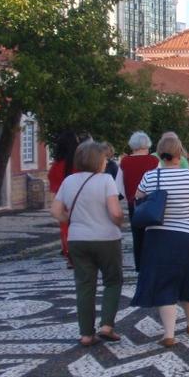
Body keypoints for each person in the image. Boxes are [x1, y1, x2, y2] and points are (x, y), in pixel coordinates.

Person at [131, 132, 189, 347]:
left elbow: (137, 201)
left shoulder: (150, 177)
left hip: (158, 237)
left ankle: (168, 334)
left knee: (163, 281)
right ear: (180, 153)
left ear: (159, 153)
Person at [50, 140, 124, 346]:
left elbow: (55, 211)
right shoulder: (106, 180)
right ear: (98, 161)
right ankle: (107, 325)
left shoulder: (69, 181)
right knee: (112, 281)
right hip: (106, 238)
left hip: (77, 239)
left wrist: (73, 221)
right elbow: (115, 212)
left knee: (84, 285)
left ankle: (86, 334)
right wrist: (119, 222)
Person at [115, 131, 160, 270]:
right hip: (152, 202)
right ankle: (153, 263)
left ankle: (139, 264)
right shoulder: (154, 161)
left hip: (133, 203)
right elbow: (160, 182)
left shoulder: (125, 162)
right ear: (147, 145)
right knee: (154, 233)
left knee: (137, 234)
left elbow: (119, 187)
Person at [47, 131, 79, 268]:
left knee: (66, 230)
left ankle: (70, 257)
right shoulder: (80, 164)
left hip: (64, 202)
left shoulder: (56, 166)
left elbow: (53, 185)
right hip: (81, 200)